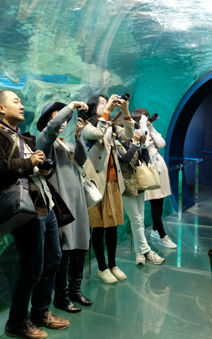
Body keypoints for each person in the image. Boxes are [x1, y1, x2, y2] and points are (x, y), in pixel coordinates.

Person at [0, 91, 74, 339]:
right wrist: (29, 163)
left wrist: (43, 165)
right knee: (32, 266)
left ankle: (40, 311)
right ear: (0, 108)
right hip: (25, 208)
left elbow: (39, 168)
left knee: (53, 259)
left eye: (21, 101)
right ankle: (17, 322)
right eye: (16, 101)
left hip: (45, 204)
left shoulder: (25, 137)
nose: (21, 105)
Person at [35, 100, 93, 313]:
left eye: (64, 117)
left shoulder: (66, 144)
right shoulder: (44, 141)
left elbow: (81, 159)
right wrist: (70, 106)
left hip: (77, 202)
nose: (62, 121)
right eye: (56, 116)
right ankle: (61, 296)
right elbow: (51, 129)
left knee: (80, 246)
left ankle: (75, 291)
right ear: (47, 120)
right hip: (60, 204)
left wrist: (78, 136)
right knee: (64, 250)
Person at [82, 94, 134, 283]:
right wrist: (108, 112)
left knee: (111, 227)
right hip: (96, 185)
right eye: (102, 102)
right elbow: (96, 134)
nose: (107, 104)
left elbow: (129, 135)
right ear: (92, 107)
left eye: (107, 101)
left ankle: (112, 264)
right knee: (98, 227)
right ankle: (102, 267)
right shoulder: (85, 126)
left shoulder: (110, 126)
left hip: (112, 183)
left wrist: (126, 112)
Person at [116, 127, 165, 265]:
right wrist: (136, 142)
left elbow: (145, 159)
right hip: (126, 187)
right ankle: (147, 251)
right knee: (136, 219)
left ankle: (139, 253)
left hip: (139, 183)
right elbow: (126, 159)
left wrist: (143, 144)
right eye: (123, 126)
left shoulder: (132, 142)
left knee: (140, 219)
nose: (129, 127)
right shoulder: (115, 144)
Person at [131, 109, 177, 249]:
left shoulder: (150, 130)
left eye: (147, 117)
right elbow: (142, 147)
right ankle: (163, 236)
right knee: (155, 205)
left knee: (160, 201)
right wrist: (144, 128)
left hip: (159, 169)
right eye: (143, 118)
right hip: (148, 170)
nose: (147, 120)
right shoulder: (135, 133)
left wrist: (151, 128)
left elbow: (162, 144)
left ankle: (156, 231)